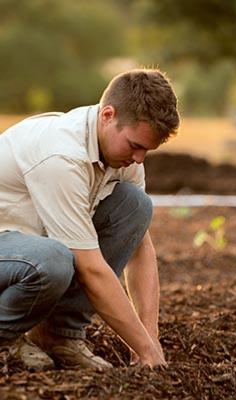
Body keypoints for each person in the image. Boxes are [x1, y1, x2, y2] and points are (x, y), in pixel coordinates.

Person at [0, 68, 180, 371]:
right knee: (52, 260)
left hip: (24, 247)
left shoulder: (124, 157)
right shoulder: (62, 156)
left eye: (147, 150)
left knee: (135, 206)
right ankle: (5, 339)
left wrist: (150, 340)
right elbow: (90, 269)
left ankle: (58, 336)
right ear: (108, 115)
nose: (139, 159)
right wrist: (144, 349)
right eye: (135, 145)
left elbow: (139, 247)